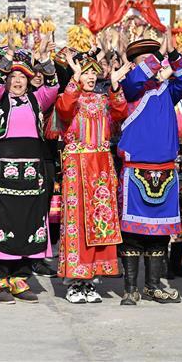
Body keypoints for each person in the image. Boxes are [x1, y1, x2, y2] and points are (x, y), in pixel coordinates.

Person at [0, 42, 59, 304]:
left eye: (22, 77)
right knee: (2, 220)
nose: (17, 81)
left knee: (28, 221)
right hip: (2, 169)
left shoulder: (37, 99)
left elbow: (53, 88)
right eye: (12, 77)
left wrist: (47, 61)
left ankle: (20, 278)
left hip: (32, 172)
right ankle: (0, 281)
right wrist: (4, 63)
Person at [117, 33, 182, 304]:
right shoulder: (131, 88)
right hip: (136, 170)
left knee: (160, 233)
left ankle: (152, 286)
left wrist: (172, 54)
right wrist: (158, 54)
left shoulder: (168, 90)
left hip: (166, 169)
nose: (153, 65)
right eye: (145, 61)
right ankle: (130, 288)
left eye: (155, 60)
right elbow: (136, 78)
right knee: (134, 233)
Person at [54, 53, 129, 304]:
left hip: (101, 168)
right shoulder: (70, 98)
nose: (89, 76)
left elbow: (121, 113)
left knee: (99, 224)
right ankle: (75, 281)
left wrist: (116, 86)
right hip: (77, 166)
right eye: (84, 72)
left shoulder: (103, 100)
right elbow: (63, 110)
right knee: (77, 223)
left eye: (92, 72)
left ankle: (92, 279)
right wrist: (73, 80)